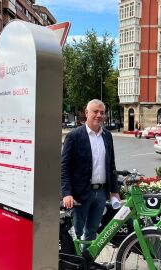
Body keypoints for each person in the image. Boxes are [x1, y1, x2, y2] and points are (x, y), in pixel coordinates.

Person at [61, 99, 120, 245]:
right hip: (80, 194)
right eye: (95, 111)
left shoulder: (107, 135)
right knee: (77, 232)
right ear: (86, 113)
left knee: (92, 233)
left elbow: (111, 164)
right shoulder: (74, 136)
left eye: (102, 112)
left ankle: (87, 262)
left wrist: (114, 190)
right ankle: (74, 264)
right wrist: (67, 193)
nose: (99, 115)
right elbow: (64, 167)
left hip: (100, 193)